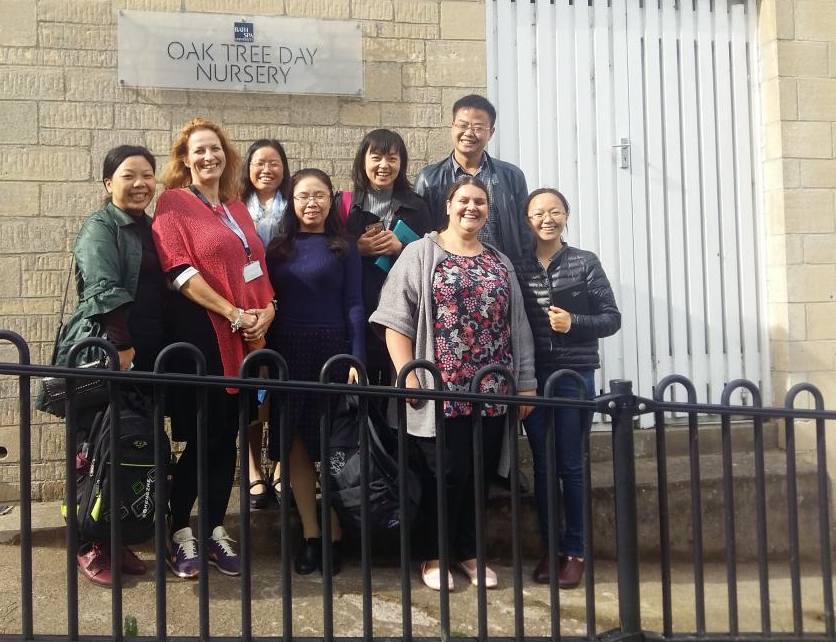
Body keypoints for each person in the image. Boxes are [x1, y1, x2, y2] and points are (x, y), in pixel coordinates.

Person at [371, 176, 536, 592]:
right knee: (442, 475)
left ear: (488, 210)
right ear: (448, 205)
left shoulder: (499, 261)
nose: (471, 207)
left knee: (479, 475)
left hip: (492, 392)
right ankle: (434, 554)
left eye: (480, 201)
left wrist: (526, 384)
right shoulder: (421, 253)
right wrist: (408, 376)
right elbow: (394, 319)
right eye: (464, 200)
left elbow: (518, 326)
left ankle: (468, 552)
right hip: (438, 392)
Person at [152, 118, 276, 581]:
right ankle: (179, 531)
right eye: (199, 150)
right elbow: (179, 272)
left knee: (229, 437)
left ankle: (214, 528)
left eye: (216, 149)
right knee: (204, 436)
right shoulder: (173, 203)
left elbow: (256, 267)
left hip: (243, 339)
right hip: (202, 335)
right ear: (185, 160)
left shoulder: (237, 207)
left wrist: (269, 309)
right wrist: (233, 312)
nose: (209, 157)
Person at [53, 144, 166, 587]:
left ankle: (114, 538)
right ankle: (86, 544)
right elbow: (103, 289)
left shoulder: (150, 227)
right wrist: (122, 348)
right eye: (128, 176)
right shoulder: (101, 227)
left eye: (147, 175)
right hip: (108, 354)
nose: (140, 184)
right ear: (108, 182)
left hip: (145, 355)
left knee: (123, 450)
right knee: (91, 450)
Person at [518, 187, 621, 590]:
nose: (547, 219)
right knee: (543, 466)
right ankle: (552, 549)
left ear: (566, 216)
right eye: (538, 213)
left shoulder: (584, 262)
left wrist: (573, 323)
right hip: (533, 379)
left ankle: (575, 551)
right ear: (527, 220)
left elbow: (611, 318)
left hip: (574, 377)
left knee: (571, 465)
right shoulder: (518, 266)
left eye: (555, 211)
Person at [265, 168, 364, 575]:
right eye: (303, 195)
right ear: (291, 201)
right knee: (295, 445)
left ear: (331, 200)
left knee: (333, 447)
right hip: (287, 351)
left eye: (320, 195)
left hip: (331, 352)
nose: (311, 203)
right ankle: (310, 534)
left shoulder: (345, 247)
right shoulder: (277, 248)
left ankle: (335, 533)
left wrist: (356, 357)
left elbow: (355, 303)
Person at [338, 128, 431, 386]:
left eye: (392, 158)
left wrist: (402, 248)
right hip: (357, 312)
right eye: (376, 157)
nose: (384, 165)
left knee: (400, 390)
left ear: (401, 163)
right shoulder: (344, 204)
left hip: (403, 314)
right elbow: (327, 255)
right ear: (363, 161)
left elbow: (432, 257)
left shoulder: (418, 206)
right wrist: (356, 249)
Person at [413, 94, 533, 280]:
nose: (469, 133)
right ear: (452, 126)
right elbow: (420, 235)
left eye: (478, 127)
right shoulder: (429, 179)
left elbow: (525, 235)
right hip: (447, 279)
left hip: (501, 277)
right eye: (462, 125)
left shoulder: (511, 176)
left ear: (491, 132)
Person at [239, 138, 292, 510]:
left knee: (285, 389)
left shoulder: (295, 206)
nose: (267, 170)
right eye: (260, 162)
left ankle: (282, 466)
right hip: (248, 310)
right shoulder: (234, 208)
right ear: (248, 167)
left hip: (289, 306)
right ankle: (253, 468)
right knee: (253, 391)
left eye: (274, 163)